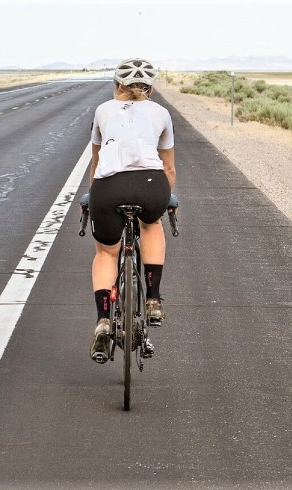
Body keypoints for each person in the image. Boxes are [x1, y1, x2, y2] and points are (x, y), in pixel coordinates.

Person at [88, 58, 176, 364]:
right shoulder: (161, 113)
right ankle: (153, 300)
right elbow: (168, 167)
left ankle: (102, 321)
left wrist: (93, 197)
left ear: (116, 86)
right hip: (151, 183)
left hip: (108, 186)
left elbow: (96, 162)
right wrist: (167, 199)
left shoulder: (103, 110)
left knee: (107, 253)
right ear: (150, 89)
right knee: (152, 225)